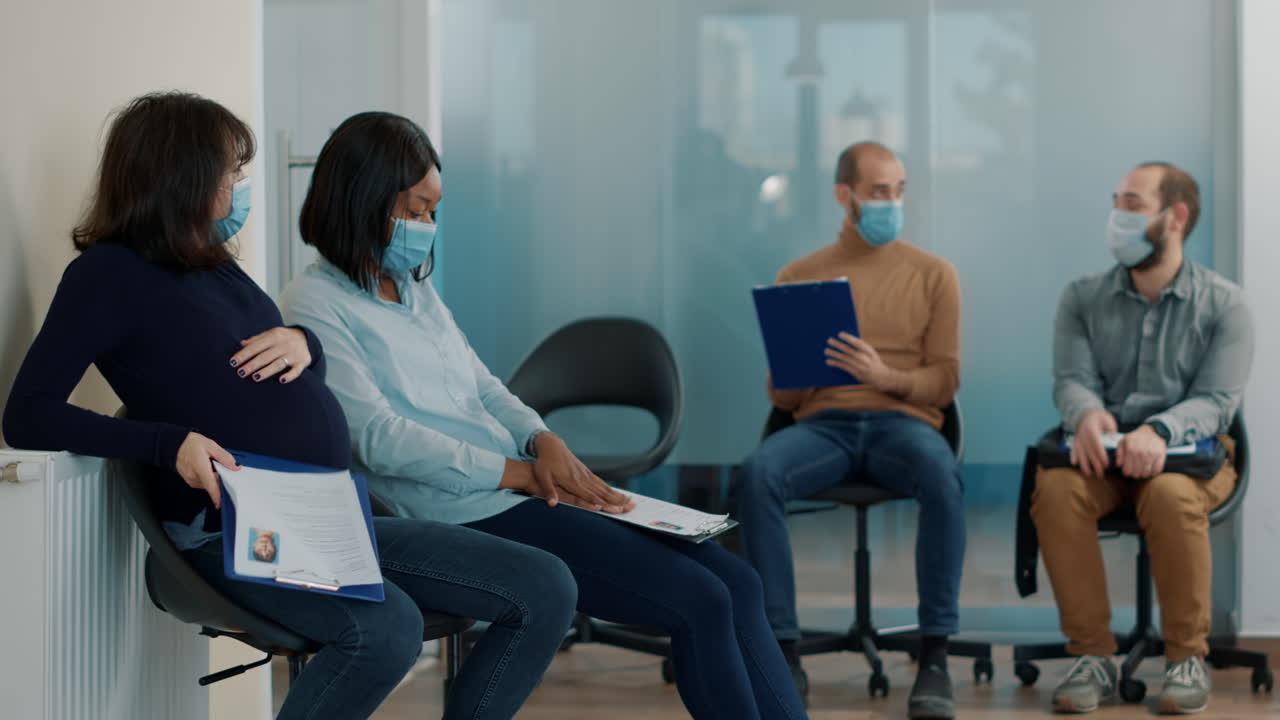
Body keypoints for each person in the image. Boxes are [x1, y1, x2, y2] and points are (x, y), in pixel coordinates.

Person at [1, 92, 577, 720]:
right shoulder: (106, 275)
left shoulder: (216, 267)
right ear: (184, 173)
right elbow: (28, 414)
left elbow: (284, 374)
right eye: (232, 170)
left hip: (324, 514)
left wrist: (306, 344)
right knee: (386, 630)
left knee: (545, 585)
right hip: (230, 530)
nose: (240, 185)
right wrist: (169, 443)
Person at [281, 111, 809, 720]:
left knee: (739, 583)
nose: (427, 227)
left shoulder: (413, 288)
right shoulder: (314, 301)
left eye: (433, 211)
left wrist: (541, 438)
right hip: (463, 511)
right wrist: (518, 473)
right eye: (415, 210)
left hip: (521, 488)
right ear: (362, 200)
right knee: (702, 600)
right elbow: (378, 438)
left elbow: (482, 387)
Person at [733, 142, 965, 719]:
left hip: (903, 424)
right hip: (825, 427)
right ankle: (781, 651)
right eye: (879, 191)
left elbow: (945, 382)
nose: (892, 202)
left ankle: (935, 654)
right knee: (757, 473)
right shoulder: (800, 276)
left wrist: (886, 377)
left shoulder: (934, 274)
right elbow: (783, 398)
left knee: (941, 475)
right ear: (846, 195)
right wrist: (797, 369)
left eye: (899, 191)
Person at [1033, 162, 1253, 715]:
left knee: (1169, 496)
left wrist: (1160, 429)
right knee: (1056, 491)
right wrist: (1086, 415)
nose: (1117, 216)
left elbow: (1218, 401)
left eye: (1132, 204)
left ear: (1175, 217)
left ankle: (1186, 658)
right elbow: (1071, 380)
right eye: (1116, 201)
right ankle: (1093, 656)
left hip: (1190, 461)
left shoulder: (1225, 304)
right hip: (1102, 459)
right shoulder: (1081, 297)